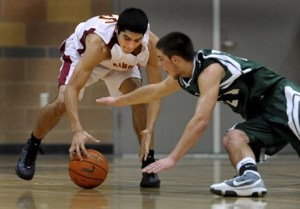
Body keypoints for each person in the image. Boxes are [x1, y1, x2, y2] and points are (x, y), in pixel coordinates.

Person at [96, 31, 300, 197]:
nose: (159, 65)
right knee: (233, 138)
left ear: (175, 59)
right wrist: (119, 100)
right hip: (263, 116)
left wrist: (173, 158)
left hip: (284, 101)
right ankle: (249, 179)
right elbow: (155, 90)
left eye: (161, 59)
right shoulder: (185, 75)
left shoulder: (209, 70)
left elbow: (201, 120)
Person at [15, 7, 162, 188]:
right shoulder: (98, 44)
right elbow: (73, 89)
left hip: (119, 65)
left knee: (139, 100)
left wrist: (150, 127)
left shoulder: (152, 46)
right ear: (117, 31)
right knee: (62, 103)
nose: (131, 45)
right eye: (127, 38)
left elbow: (156, 91)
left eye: (136, 40)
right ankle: (32, 145)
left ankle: (148, 164)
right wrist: (77, 130)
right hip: (83, 55)